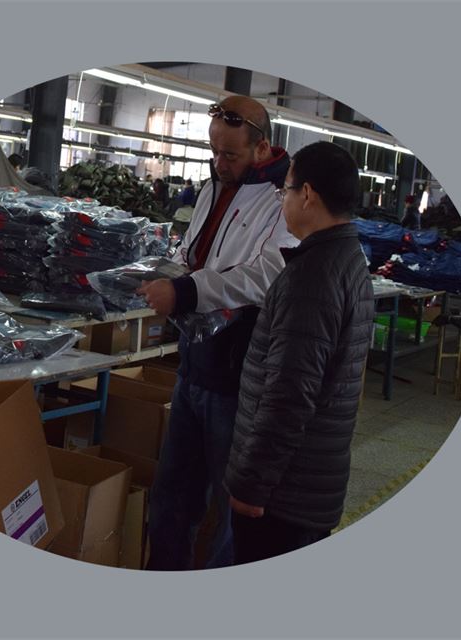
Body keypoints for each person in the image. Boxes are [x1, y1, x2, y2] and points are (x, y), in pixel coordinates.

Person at [139, 95, 296, 570]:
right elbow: (194, 252)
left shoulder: (282, 200)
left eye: (230, 153)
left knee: (232, 509)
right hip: (194, 364)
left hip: (237, 376)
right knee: (172, 496)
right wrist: (166, 272)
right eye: (213, 151)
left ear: (262, 147)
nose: (219, 162)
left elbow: (268, 276)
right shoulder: (213, 187)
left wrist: (186, 292)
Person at [223, 141, 374, 565]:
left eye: (285, 190)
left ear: (307, 194)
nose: (282, 200)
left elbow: (290, 395)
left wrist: (253, 485)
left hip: (283, 499)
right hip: (310, 486)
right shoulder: (348, 258)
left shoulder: (311, 277)